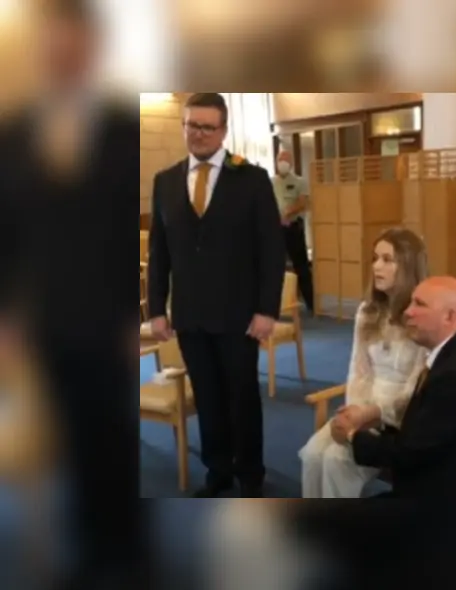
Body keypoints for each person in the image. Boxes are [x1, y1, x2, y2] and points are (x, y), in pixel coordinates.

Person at [0, 1, 147, 586]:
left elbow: (128, 231)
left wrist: (135, 316)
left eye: (76, 43)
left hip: (110, 321)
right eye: (55, 43)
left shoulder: (122, 127)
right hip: (47, 317)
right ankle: (90, 550)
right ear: (45, 49)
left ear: (91, 47)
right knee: (73, 441)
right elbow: (5, 233)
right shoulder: (14, 134)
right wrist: (6, 316)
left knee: (118, 434)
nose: (66, 53)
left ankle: (132, 553)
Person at [147, 92, 286, 498]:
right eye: (192, 125)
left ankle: (251, 474)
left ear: (223, 130)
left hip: (240, 314)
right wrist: (157, 308)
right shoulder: (166, 181)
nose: (199, 134)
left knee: (241, 395)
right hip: (189, 315)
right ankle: (218, 471)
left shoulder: (252, 179)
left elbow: (271, 252)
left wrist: (267, 310)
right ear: (184, 126)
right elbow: (159, 253)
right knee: (207, 396)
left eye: (208, 127)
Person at [332, 276, 456, 497]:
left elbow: (409, 452)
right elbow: (424, 433)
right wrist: (375, 418)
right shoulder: (455, 354)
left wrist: (352, 435)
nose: (408, 312)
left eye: (419, 304)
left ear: (449, 316)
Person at [298, 228, 429, 498]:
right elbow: (358, 371)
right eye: (375, 258)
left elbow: (417, 387)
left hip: (400, 419)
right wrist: (355, 413)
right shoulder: (367, 311)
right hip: (363, 409)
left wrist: (375, 415)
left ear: (407, 265)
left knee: (336, 461)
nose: (376, 266)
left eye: (387, 259)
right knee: (312, 455)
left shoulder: (422, 317)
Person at [272, 149, 315, 313]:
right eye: (280, 159)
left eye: (285, 159)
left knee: (301, 266)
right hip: (276, 229)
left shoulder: (299, 181)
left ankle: (311, 303)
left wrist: (287, 213)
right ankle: (279, 305)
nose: (282, 162)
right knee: (276, 266)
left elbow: (303, 202)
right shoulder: (271, 182)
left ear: (290, 163)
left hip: (294, 227)